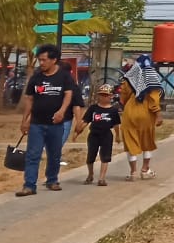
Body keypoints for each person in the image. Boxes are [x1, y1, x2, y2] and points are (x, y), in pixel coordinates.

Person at [15, 44, 80, 196]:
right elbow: (30, 99)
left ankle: (52, 180)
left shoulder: (64, 77)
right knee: (33, 154)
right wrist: (25, 120)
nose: (41, 63)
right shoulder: (36, 77)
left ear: (54, 60)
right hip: (36, 123)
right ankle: (29, 185)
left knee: (54, 154)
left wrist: (62, 111)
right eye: (40, 60)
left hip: (56, 124)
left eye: (44, 60)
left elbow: (68, 95)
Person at [118, 55, 164, 180]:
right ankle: (145, 170)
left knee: (130, 142)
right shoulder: (152, 80)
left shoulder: (129, 78)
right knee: (147, 142)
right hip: (146, 114)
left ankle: (133, 172)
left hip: (129, 113)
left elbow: (123, 98)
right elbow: (154, 100)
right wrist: (158, 115)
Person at [75, 84, 121, 185]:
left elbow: (116, 125)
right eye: (101, 95)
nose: (103, 97)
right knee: (91, 156)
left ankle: (101, 178)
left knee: (105, 156)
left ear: (111, 96)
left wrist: (118, 136)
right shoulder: (93, 108)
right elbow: (86, 121)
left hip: (106, 135)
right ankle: (90, 174)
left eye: (106, 95)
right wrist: (78, 131)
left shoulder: (113, 110)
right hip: (94, 134)